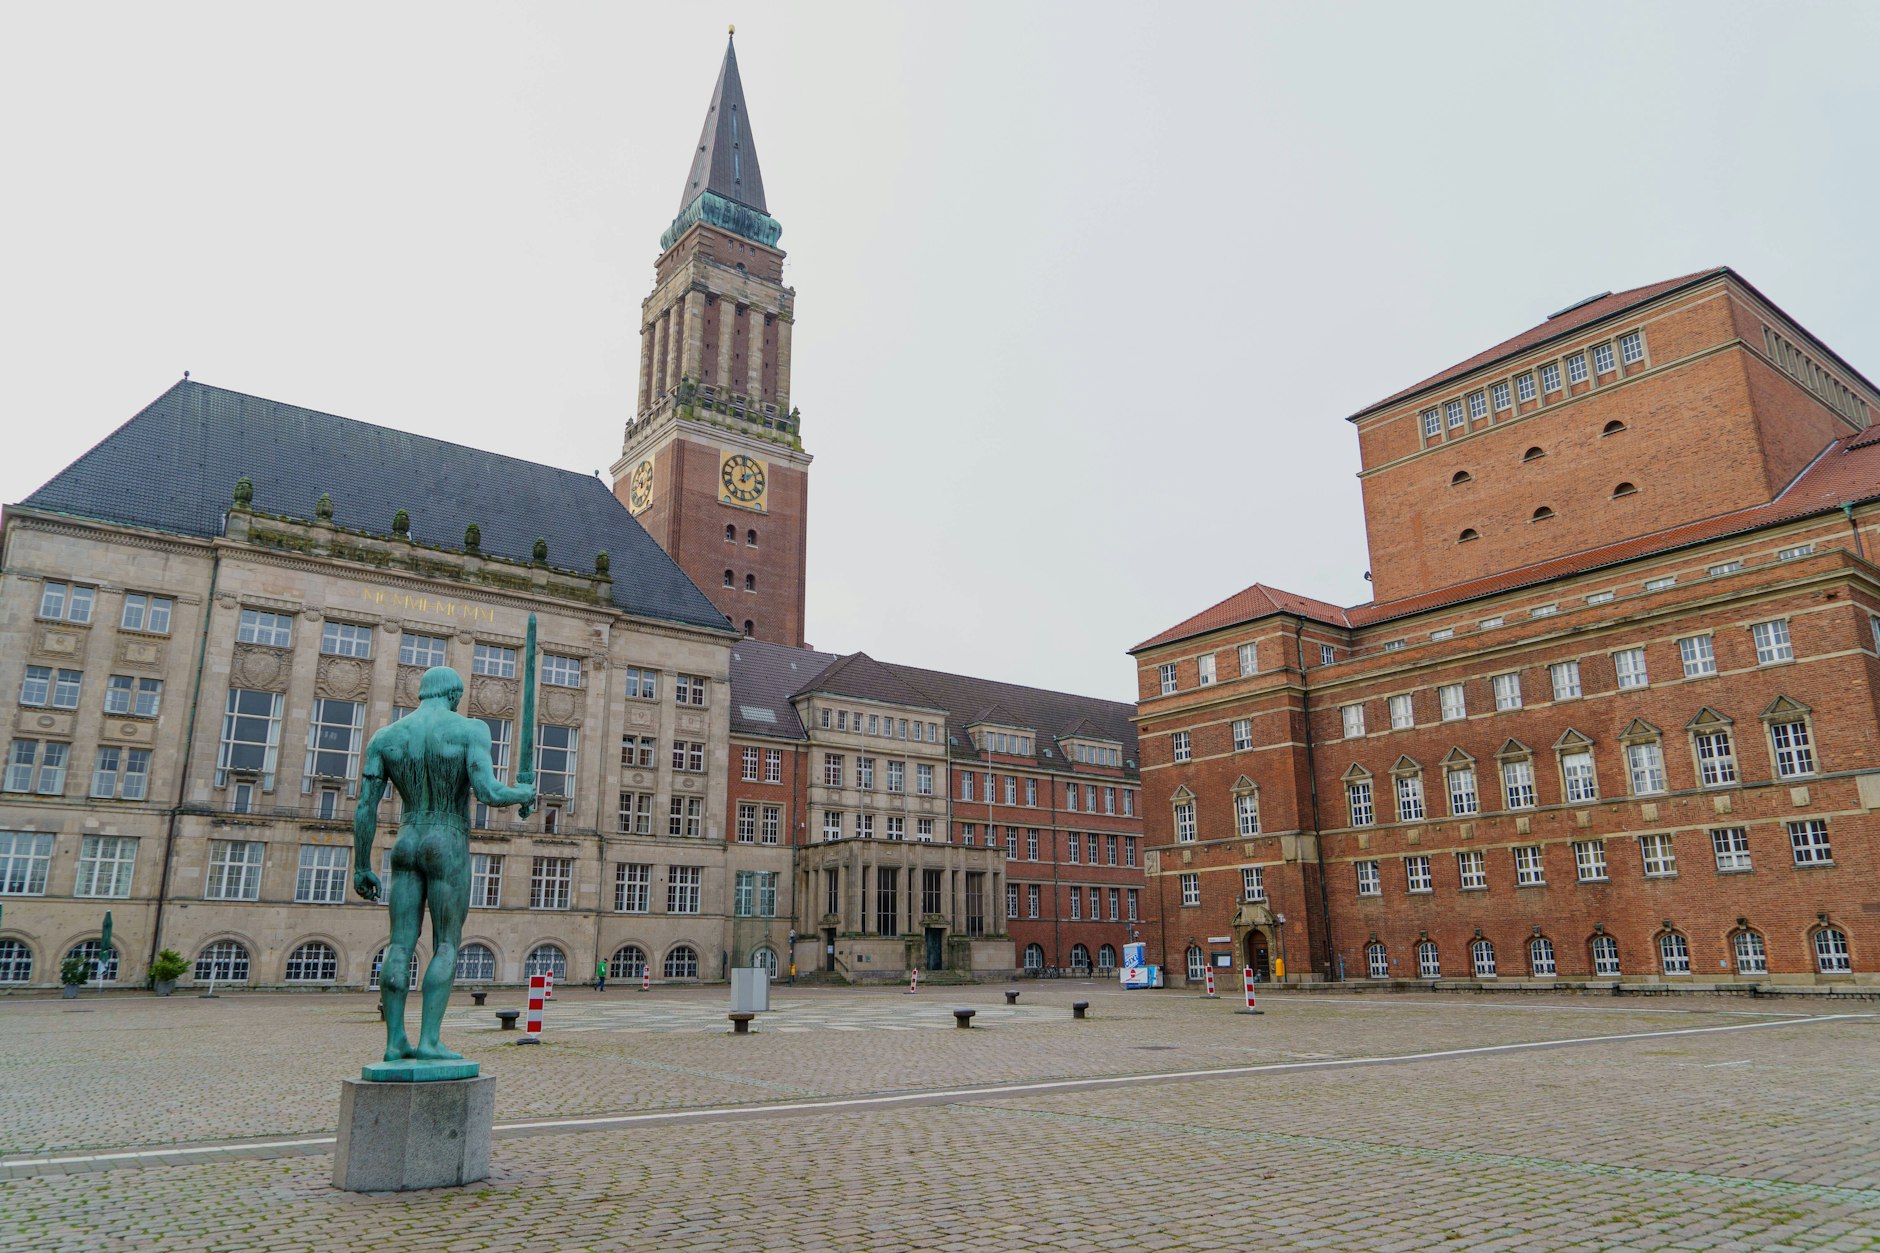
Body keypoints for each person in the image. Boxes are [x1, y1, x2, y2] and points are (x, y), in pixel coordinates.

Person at [353, 666, 535, 1063]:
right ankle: (431, 1040)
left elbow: (365, 807)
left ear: (421, 694)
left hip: (406, 838)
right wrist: (524, 792)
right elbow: (488, 791)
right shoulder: (470, 729)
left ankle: (395, 1040)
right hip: (446, 838)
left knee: (400, 944)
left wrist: (361, 864)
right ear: (454, 695)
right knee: (447, 943)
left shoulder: (385, 737)